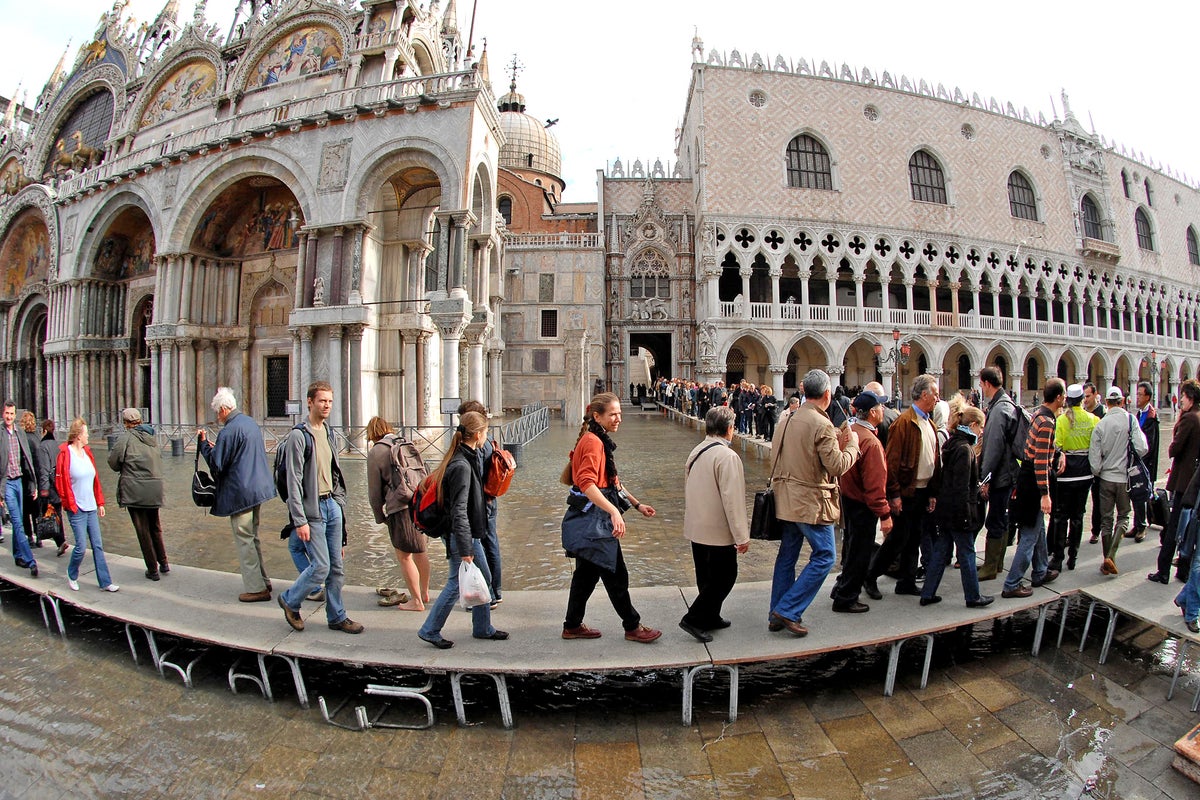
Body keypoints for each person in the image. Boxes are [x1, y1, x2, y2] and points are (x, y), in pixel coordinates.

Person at [560, 392, 662, 643]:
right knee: (616, 573)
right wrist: (614, 511)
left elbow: (613, 481)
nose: (619, 419)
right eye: (613, 414)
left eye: (620, 413)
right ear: (597, 416)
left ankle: (572, 625)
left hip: (592, 518)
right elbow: (586, 483)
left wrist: (637, 505)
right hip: (594, 521)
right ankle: (632, 626)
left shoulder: (596, 438)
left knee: (586, 575)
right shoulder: (593, 442)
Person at [769, 369, 859, 636]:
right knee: (825, 555)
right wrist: (852, 445)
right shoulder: (822, 424)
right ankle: (787, 609)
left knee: (787, 555)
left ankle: (776, 613)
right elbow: (837, 465)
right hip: (809, 501)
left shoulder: (787, 418)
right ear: (827, 394)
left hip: (784, 498)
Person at [417, 411, 508, 648]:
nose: (487, 437)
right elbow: (458, 510)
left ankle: (482, 627)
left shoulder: (467, 457)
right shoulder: (461, 466)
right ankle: (430, 629)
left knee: (484, 578)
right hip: (462, 535)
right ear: (478, 434)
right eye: (486, 432)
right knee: (456, 583)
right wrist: (466, 547)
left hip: (468, 534)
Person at [277, 381, 362, 634]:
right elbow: (293, 481)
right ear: (310, 402)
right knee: (321, 566)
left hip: (331, 505)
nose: (327, 405)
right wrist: (299, 520)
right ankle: (290, 600)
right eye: (322, 400)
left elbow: (334, 471)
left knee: (336, 567)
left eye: (330, 401)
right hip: (312, 511)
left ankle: (337, 616)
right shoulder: (298, 436)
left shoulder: (328, 432)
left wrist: (338, 502)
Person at [198, 388, 279, 603]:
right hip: (257, 489)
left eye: (218, 412)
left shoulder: (229, 430)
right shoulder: (249, 423)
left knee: (244, 538)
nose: (218, 417)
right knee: (253, 536)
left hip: (241, 492)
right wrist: (218, 448)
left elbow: (216, 465)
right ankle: (263, 580)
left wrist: (204, 445)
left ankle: (256, 588)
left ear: (224, 409)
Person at [865, 375, 940, 601]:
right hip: (906, 492)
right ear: (924, 395)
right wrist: (894, 494)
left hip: (922, 490)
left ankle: (906, 580)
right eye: (935, 393)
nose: (937, 398)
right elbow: (892, 462)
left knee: (914, 537)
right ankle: (871, 575)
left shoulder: (930, 422)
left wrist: (932, 492)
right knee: (898, 537)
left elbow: (934, 459)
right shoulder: (904, 423)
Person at [679, 406, 750, 641]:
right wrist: (741, 536)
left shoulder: (696, 450)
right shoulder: (728, 456)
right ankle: (694, 618)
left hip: (697, 525)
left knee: (706, 576)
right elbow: (734, 500)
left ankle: (711, 616)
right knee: (725, 576)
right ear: (729, 429)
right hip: (717, 530)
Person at [922, 397, 993, 607]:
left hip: (946, 509)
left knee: (941, 550)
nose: (981, 432)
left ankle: (928, 592)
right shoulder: (965, 449)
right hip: (959, 511)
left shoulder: (953, 444)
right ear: (972, 425)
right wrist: (967, 513)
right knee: (967, 551)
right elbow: (961, 486)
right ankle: (973, 596)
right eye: (981, 427)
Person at [830, 389, 891, 613]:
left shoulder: (850, 431)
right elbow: (875, 485)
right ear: (873, 413)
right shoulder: (871, 443)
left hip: (849, 499)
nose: (883, 409)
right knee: (860, 553)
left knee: (852, 548)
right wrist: (884, 514)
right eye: (881, 407)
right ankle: (847, 598)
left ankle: (841, 588)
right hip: (863, 505)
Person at [1002, 378, 1064, 598]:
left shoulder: (1039, 414)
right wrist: (1045, 494)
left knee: (1037, 528)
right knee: (1029, 533)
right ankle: (1012, 583)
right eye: (1063, 395)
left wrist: (1058, 453)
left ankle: (1040, 571)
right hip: (1033, 480)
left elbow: (1041, 448)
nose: (1064, 399)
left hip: (1027, 477)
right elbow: (1039, 459)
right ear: (1058, 397)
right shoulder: (1047, 421)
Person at [365, 416, 428, 611]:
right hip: (418, 502)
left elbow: (375, 491)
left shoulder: (376, 451)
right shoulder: (403, 442)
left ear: (372, 434)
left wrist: (379, 515)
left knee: (404, 556)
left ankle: (416, 601)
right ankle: (424, 593)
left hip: (399, 507)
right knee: (421, 551)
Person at [1089, 386, 1149, 575]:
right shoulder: (1130, 420)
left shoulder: (1101, 424)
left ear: (1106, 402)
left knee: (1106, 519)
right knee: (1124, 516)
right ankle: (1111, 556)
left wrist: (1099, 471)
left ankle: (1107, 558)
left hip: (1106, 478)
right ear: (1122, 401)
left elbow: (1094, 459)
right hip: (1125, 479)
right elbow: (1142, 448)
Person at [55, 419, 116, 592]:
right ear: (78, 435)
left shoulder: (88, 452)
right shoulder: (65, 454)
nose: (88, 435)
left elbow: (95, 480)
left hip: (91, 506)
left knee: (97, 545)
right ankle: (72, 574)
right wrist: (69, 504)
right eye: (86, 432)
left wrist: (100, 502)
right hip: (76, 508)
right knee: (81, 547)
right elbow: (60, 482)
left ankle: (105, 582)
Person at [107, 408, 168, 580]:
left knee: (143, 530)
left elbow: (113, 462)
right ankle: (164, 563)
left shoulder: (125, 438)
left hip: (135, 489)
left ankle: (152, 569)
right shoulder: (151, 437)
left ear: (125, 423)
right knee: (155, 526)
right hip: (154, 487)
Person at [1150, 379, 1200, 584]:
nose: (1180, 401)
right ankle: (1183, 570)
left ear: (1190, 398)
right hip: (1194, 481)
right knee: (1189, 527)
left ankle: (1163, 571)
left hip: (1183, 481)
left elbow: (1174, 449)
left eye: (1183, 397)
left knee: (1173, 527)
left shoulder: (1189, 419)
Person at [977, 366, 1021, 581]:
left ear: (986, 383)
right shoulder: (1007, 404)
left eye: (981, 384)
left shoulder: (998, 410)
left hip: (1001, 474)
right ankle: (997, 564)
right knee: (1001, 518)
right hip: (1008, 472)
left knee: (995, 520)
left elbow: (993, 447)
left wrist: (984, 477)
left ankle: (991, 567)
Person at [1049, 385, 1098, 571]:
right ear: (1082, 400)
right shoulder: (1093, 419)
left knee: (1061, 516)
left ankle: (1058, 558)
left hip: (1066, 474)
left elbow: (1057, 446)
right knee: (1078, 516)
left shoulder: (1061, 420)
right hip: (1085, 473)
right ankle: (1073, 557)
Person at [459, 400, 502, 606]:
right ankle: (496, 591)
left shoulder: (479, 445)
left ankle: (489, 594)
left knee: (482, 545)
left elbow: (476, 477)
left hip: (481, 501)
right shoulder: (488, 440)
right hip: (489, 498)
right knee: (490, 543)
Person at [0, 400, 38, 577]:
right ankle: (31, 561)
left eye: (12, 414)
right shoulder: (0, 434)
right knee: (17, 521)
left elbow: (28, 460)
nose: (9, 417)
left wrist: (34, 484)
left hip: (19, 481)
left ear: (15, 415)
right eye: (6, 413)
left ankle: (17, 555)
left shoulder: (20, 433)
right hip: (6, 482)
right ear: (3, 414)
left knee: (18, 521)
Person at [1129, 381, 1160, 543]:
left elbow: (1150, 444)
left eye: (1140, 394)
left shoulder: (1151, 417)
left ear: (1148, 397)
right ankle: (1137, 524)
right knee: (1136, 494)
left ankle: (1142, 527)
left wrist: (1141, 460)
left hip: (1145, 463)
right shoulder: (1139, 414)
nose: (1137, 397)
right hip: (1138, 461)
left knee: (1142, 494)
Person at [36, 419, 68, 556]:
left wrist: (43, 492)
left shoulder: (42, 447)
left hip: (49, 487)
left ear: (43, 431)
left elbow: (44, 470)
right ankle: (61, 541)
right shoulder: (58, 445)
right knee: (58, 513)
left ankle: (59, 541)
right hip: (59, 485)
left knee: (48, 515)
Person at [1082, 381, 1107, 545]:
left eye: (1088, 396)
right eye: (1084, 396)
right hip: (1084, 463)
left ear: (1095, 395)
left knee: (1098, 499)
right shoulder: (1084, 412)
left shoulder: (1102, 413)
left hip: (1098, 462)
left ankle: (1096, 531)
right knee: (1082, 499)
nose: (1085, 399)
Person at [19, 412, 41, 548]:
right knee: (36, 509)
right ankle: (39, 536)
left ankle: (29, 537)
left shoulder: (22, 438)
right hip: (36, 477)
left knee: (25, 510)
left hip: (25, 478)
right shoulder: (37, 437)